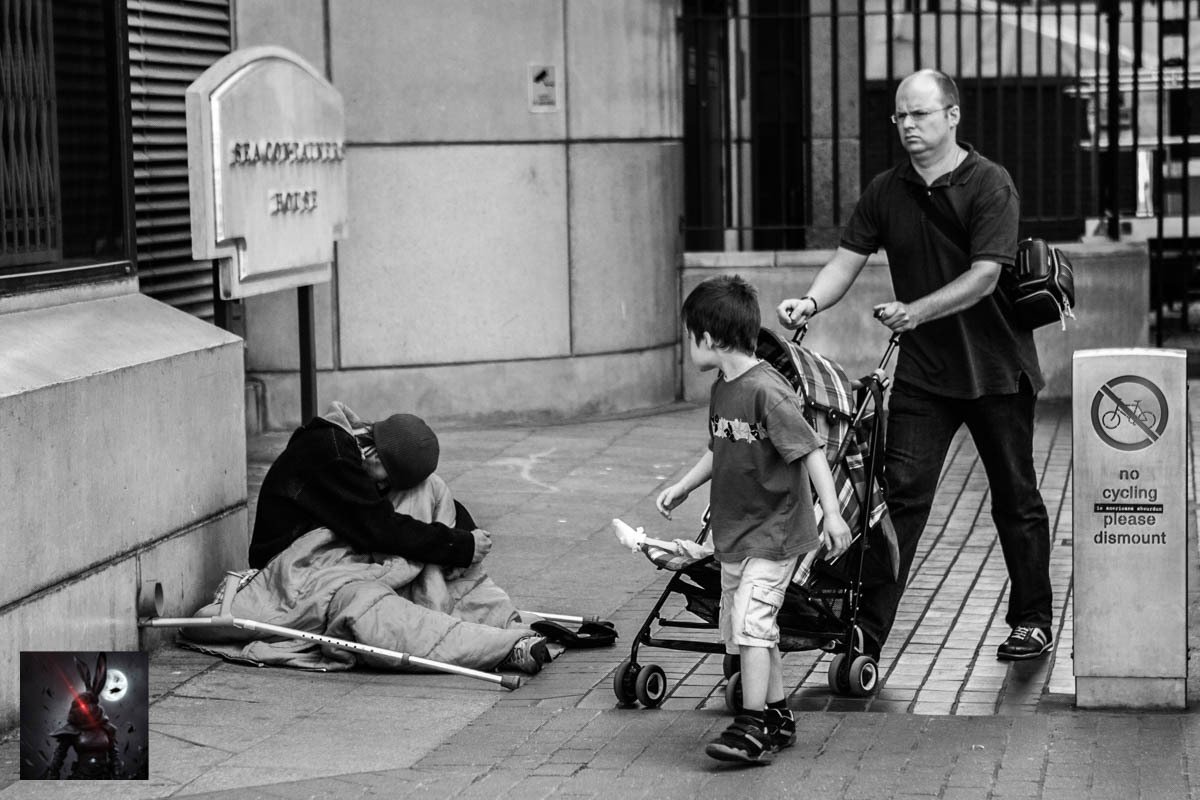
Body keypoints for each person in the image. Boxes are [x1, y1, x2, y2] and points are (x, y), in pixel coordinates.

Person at [775, 69, 1054, 664]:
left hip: (997, 370)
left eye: (921, 114)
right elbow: (845, 260)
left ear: (952, 116)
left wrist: (915, 311)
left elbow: (984, 276)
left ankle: (1032, 619)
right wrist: (811, 301)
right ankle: (866, 635)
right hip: (926, 377)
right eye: (901, 116)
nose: (908, 126)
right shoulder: (886, 189)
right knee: (898, 501)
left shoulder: (989, 184)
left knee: (1015, 498)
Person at [656, 275, 851, 764]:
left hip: (777, 534)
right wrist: (684, 485)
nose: (687, 345)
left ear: (712, 338)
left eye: (689, 336)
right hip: (736, 536)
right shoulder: (724, 389)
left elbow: (811, 452)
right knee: (747, 628)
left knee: (751, 624)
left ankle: (752, 726)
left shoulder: (768, 390)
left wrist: (832, 513)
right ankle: (779, 713)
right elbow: (719, 447)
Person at [247, 401, 550, 674]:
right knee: (365, 607)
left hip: (337, 553)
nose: (382, 487)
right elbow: (380, 526)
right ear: (376, 455)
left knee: (427, 488)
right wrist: (459, 546)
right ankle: (492, 647)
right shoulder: (332, 457)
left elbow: (412, 503)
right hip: (294, 573)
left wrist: (464, 534)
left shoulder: (360, 450)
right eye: (386, 481)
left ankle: (487, 615)